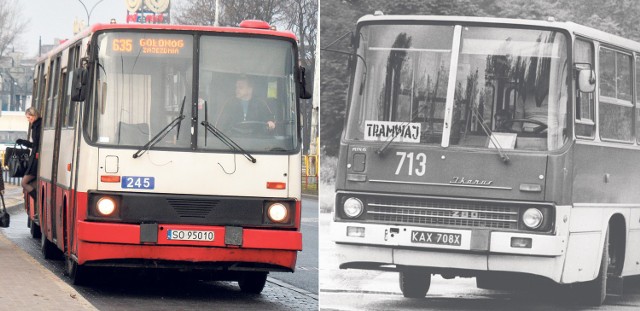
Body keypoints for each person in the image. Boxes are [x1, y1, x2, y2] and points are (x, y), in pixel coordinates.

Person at [16, 107, 42, 199]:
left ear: (34, 115)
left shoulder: (37, 126)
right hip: (35, 158)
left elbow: (35, 145)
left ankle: (38, 201)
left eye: (29, 117)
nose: (28, 119)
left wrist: (23, 142)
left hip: (36, 160)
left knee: (24, 182)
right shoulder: (36, 125)